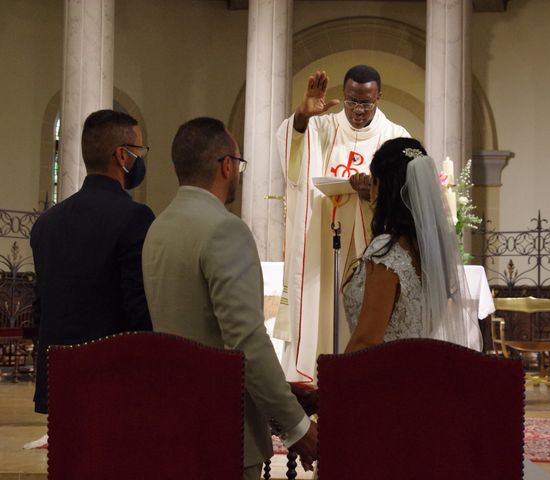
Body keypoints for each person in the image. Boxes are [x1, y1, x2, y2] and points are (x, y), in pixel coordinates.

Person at [142, 117, 318, 479]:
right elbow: (246, 341)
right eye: (239, 163)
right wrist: (297, 427)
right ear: (226, 165)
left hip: (173, 419)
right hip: (221, 425)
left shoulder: (158, 227)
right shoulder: (225, 229)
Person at [274, 65, 410, 383]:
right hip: (322, 245)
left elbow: (409, 189)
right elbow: (291, 151)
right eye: (351, 101)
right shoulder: (321, 129)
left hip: (369, 249)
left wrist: (375, 191)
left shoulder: (396, 136)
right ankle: (315, 383)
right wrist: (303, 116)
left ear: (379, 97)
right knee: (322, 313)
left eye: (366, 103)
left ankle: (362, 384)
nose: (358, 111)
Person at [30, 109, 154, 417]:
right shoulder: (135, 217)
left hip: (58, 379)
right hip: (112, 382)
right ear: (122, 156)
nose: (141, 158)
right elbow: (138, 309)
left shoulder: (46, 223)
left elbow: (40, 308)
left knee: (66, 464)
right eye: (139, 150)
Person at [342, 137, 481, 353]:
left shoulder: (386, 251)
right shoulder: (427, 249)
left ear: (381, 187)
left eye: (374, 181)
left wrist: (335, 381)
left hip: (382, 375)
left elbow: (366, 340)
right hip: (415, 371)